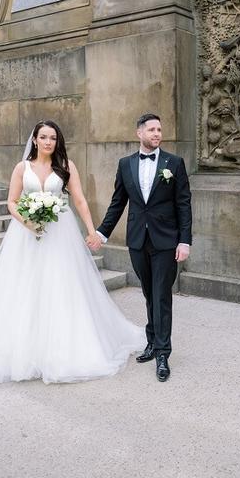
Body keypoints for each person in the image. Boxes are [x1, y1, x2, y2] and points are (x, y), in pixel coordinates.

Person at [0, 120, 145, 384]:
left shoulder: (66, 166)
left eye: (53, 137)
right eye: (43, 137)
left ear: (57, 141)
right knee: (24, 288)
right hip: (25, 236)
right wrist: (26, 221)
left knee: (61, 286)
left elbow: (80, 200)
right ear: (35, 140)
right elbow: (11, 201)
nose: (48, 142)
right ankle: (24, 352)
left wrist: (92, 231)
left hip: (59, 234)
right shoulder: (22, 168)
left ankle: (63, 350)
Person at [91, 114, 192, 382]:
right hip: (137, 240)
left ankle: (162, 353)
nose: (157, 133)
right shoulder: (125, 165)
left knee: (162, 295)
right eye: (151, 129)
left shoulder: (174, 163)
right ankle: (151, 341)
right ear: (139, 133)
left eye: (159, 129)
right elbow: (118, 203)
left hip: (166, 240)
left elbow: (184, 204)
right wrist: (102, 233)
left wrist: (185, 241)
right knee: (149, 293)